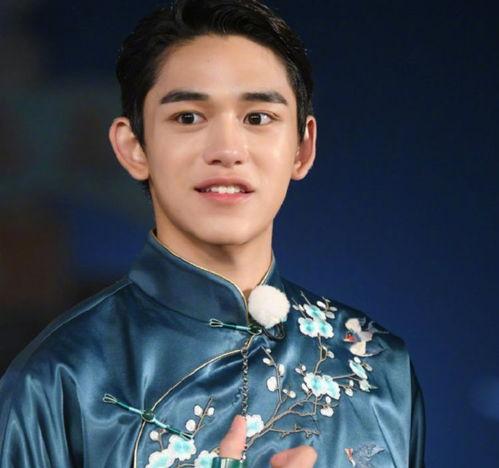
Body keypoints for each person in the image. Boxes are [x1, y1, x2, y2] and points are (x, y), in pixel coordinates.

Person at [0, 0, 425, 467]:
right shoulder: (58, 382)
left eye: (257, 118)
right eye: (188, 117)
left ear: (302, 148)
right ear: (134, 147)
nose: (227, 150)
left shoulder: (377, 366)